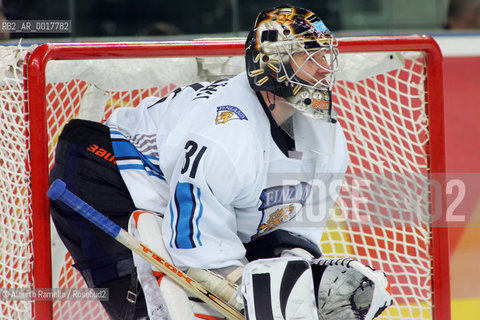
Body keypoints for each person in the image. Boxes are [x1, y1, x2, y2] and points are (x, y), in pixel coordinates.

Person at [49, 5, 392, 320]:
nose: (323, 68)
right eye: (307, 56)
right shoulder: (226, 136)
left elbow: (291, 233)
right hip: (103, 176)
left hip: (174, 196)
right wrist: (248, 288)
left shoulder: (326, 138)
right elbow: (194, 246)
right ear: (271, 63)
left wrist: (300, 281)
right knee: (166, 310)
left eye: (323, 56)